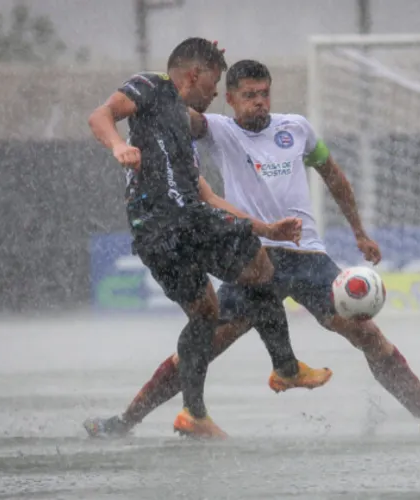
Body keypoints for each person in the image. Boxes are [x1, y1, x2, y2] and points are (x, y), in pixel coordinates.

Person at [84, 59, 420, 438]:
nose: (259, 102)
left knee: (368, 334)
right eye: (248, 96)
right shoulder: (217, 128)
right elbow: (177, 115)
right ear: (228, 99)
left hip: (308, 257)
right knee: (204, 344)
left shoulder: (296, 128)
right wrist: (144, 107)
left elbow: (333, 175)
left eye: (264, 94)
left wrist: (359, 232)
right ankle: (126, 421)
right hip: (253, 255)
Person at [87, 38, 303, 438]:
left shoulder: (176, 137)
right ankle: (286, 367)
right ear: (193, 74)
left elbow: (212, 198)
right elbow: (101, 115)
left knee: (205, 312)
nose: (216, 92)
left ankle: (194, 414)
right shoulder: (152, 86)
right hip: (176, 220)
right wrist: (118, 145)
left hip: (154, 234)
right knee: (259, 267)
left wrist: (266, 228)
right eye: (215, 81)